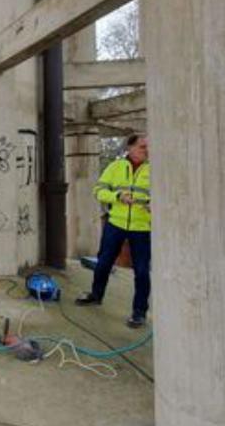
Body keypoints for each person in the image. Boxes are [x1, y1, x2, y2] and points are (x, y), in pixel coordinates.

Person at [75, 134, 151, 328]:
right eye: (142, 147)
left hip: (142, 227)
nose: (146, 150)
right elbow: (98, 191)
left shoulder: (154, 169)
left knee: (142, 271)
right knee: (103, 262)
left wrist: (152, 205)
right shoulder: (115, 167)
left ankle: (139, 312)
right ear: (131, 148)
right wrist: (117, 196)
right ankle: (96, 295)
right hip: (115, 224)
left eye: (148, 147)